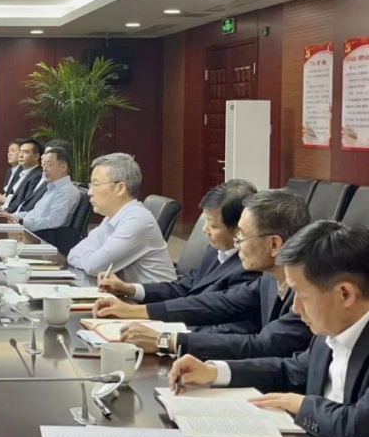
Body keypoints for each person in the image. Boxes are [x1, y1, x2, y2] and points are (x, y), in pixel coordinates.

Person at [168, 222, 369, 437]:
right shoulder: (332, 328)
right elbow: (291, 371)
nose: (295, 308)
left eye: (302, 296)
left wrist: (299, 404)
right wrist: (213, 372)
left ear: (345, 294)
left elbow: (357, 430)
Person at [94, 189, 312, 360]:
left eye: (243, 236)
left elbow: (264, 345)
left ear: (274, 245)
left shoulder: (309, 292)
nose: (237, 244)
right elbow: (218, 303)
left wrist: (166, 340)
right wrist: (136, 310)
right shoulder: (269, 278)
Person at [98, 179, 260, 334]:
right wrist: (129, 289)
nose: (204, 229)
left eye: (213, 225)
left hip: (196, 341)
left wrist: (164, 334)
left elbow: (227, 326)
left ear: (240, 227)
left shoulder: (251, 267)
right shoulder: (215, 250)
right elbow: (183, 288)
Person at [67, 153, 175, 283]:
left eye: (96, 184)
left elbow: (94, 267)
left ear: (120, 188)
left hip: (152, 295)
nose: (89, 192)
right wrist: (90, 258)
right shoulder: (112, 217)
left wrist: (90, 257)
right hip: (122, 293)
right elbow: (73, 253)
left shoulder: (136, 220)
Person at [3, 147, 80, 233]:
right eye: (44, 164)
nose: (44, 169)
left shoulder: (66, 191)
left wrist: (22, 222)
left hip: (44, 236)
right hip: (32, 230)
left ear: (63, 167)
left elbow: (54, 221)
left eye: (49, 164)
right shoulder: (51, 187)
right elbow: (35, 214)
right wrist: (13, 216)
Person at [2, 139, 43, 213]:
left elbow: (25, 203)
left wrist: (5, 211)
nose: (20, 155)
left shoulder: (37, 176)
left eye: (25, 152)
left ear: (36, 156)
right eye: (20, 151)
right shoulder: (23, 173)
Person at [0, 138, 24, 208]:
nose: (9, 154)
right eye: (8, 151)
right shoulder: (9, 171)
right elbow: (8, 192)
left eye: (13, 151)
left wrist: (4, 199)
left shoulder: (23, 171)